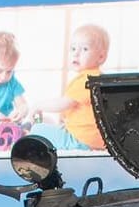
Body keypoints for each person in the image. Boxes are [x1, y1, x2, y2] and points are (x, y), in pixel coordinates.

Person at [29, 23, 109, 151]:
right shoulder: (100, 78)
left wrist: (38, 105)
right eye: (73, 49)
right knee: (48, 121)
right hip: (97, 141)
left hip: (80, 140)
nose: (76, 54)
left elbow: (64, 103)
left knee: (36, 129)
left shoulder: (87, 80)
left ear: (101, 57)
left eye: (84, 49)